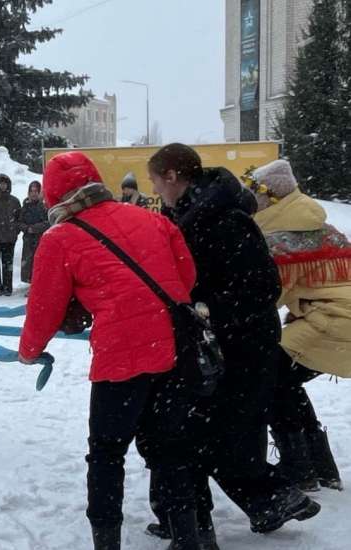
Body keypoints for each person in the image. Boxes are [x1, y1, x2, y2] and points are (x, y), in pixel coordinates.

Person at [19, 152, 200, 550]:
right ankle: (188, 537)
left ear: (53, 195)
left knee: (106, 453)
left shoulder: (60, 238)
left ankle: (107, 540)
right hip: (173, 348)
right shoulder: (152, 218)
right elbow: (185, 276)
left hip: (123, 357)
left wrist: (30, 349)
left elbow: (45, 306)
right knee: (170, 447)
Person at [146, 143, 320, 538]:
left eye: (156, 181)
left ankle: (215, 516)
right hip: (226, 345)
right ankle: (264, 501)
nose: (155, 190)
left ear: (173, 177)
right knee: (217, 433)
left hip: (240, 347)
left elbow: (261, 286)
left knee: (198, 434)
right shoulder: (193, 214)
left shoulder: (222, 220)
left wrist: (204, 309)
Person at [249, 159, 346, 491]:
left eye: (256, 195)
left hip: (332, 323)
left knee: (271, 379)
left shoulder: (282, 238)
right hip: (336, 320)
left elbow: (268, 295)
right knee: (285, 381)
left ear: (271, 198)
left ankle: (299, 468)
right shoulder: (320, 226)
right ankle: (321, 467)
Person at [18, 180, 50, 286]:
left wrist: (35, 228)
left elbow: (48, 222)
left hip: (41, 238)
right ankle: (31, 284)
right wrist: (27, 228)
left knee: (40, 262)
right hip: (28, 239)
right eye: (31, 191)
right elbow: (19, 222)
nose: (33, 193)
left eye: (36, 191)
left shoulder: (44, 206)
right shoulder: (25, 206)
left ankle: (40, 284)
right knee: (29, 263)